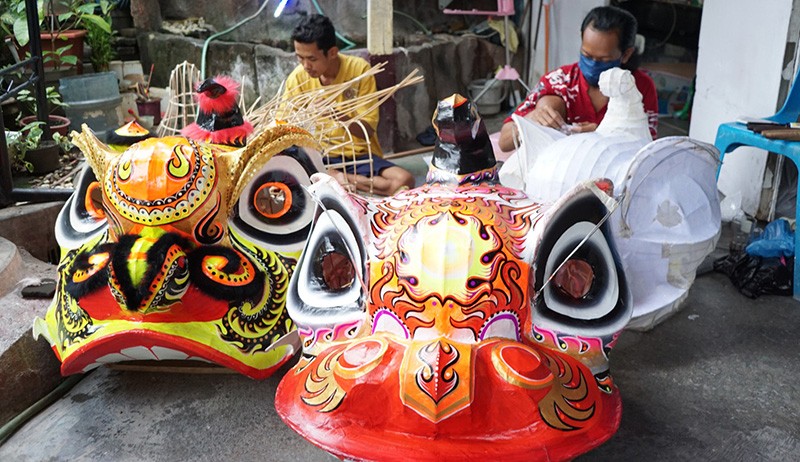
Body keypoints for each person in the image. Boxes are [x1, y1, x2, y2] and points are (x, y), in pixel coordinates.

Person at [283, 14, 415, 196]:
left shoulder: (359, 70)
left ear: (332, 52)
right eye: (300, 58)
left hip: (358, 155)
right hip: (322, 156)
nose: (306, 65)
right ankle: (330, 174)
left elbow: (367, 130)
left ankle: (335, 177)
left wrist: (337, 114)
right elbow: (283, 127)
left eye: (312, 59)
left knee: (404, 180)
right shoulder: (297, 79)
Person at [498, 6, 658, 152]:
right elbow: (504, 143)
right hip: (560, 170)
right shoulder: (558, 82)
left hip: (614, 171)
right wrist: (530, 121)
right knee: (549, 103)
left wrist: (601, 134)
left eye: (603, 59)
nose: (593, 64)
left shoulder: (639, 88)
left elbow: (646, 148)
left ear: (626, 54)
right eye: (586, 55)